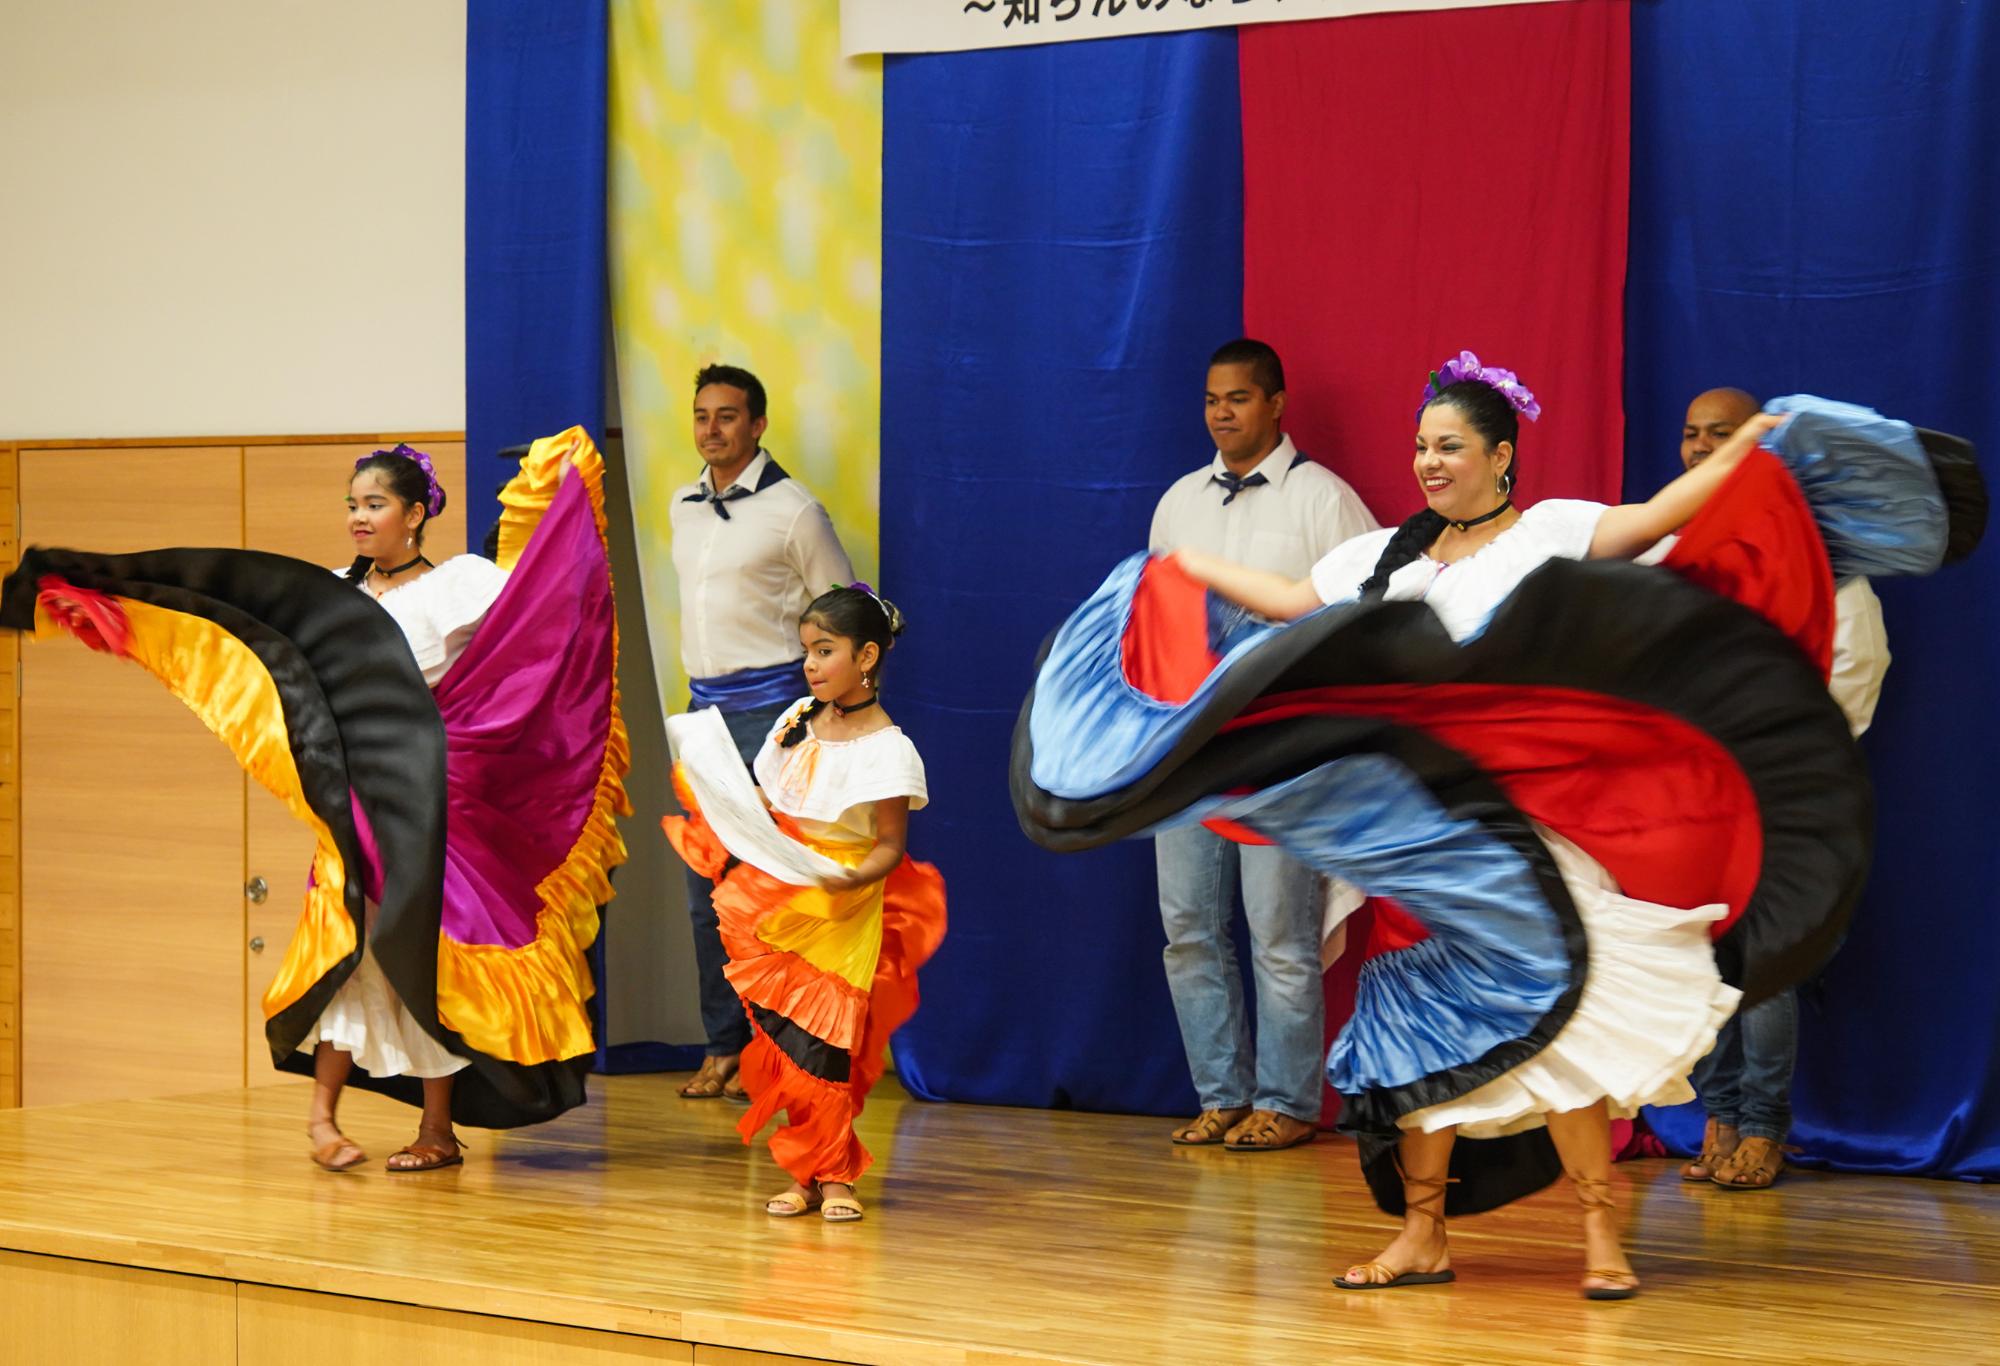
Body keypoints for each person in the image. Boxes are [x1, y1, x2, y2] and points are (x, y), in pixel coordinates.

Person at [1170, 352, 1797, 1298]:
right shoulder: (1385, 559)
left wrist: (1741, 450)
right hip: (1419, 841)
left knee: (1560, 1028)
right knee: (1423, 1040)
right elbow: (1297, 605)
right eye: (1421, 445)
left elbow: (1658, 517)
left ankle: (1599, 1237)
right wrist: (1182, 565)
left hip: (1528, 835)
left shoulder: (1548, 533)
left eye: (1449, 446)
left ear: (1501, 456)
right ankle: (1423, 1238)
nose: (1428, 461)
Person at [8, 431, 626, 1172]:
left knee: (423, 951)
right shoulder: (332, 592)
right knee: (348, 941)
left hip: (438, 792)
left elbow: (531, 641)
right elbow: (242, 628)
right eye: (352, 505)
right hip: (355, 795)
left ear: (416, 514)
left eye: (375, 504)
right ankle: (322, 1119)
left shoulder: (463, 583)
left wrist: (558, 508)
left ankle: (437, 1128)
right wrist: (110, 594)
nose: (359, 518)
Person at [1148, 338, 1376, 1152]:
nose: (1222, 413)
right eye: (1212, 399)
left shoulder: (1324, 501)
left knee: (1280, 932)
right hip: (1187, 748)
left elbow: (1365, 621)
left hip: (1278, 753)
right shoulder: (1177, 503)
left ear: (1276, 403)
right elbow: (1154, 621)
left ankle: (1284, 1101)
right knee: (1189, 928)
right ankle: (1220, 1095)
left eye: (1239, 397)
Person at [664, 585, 945, 1222]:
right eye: (806, 652)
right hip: (779, 896)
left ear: (866, 656)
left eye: (825, 651)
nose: (811, 665)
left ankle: (837, 1175)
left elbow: (888, 848)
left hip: (840, 906)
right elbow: (771, 800)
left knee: (828, 1039)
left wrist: (846, 880)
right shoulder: (795, 721)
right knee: (787, 1040)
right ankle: (806, 1170)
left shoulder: (889, 749)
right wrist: (732, 805)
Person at [1671, 388, 1890, 1192]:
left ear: (1760, 447)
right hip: (1704, 803)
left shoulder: (1823, 560)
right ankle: (1721, 1117)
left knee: (1764, 969)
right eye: (1690, 435)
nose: (1699, 449)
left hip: (1790, 801)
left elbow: (1856, 677)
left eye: (1719, 435)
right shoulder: (1687, 551)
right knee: (1713, 972)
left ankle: (1763, 1128)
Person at [669, 364, 856, 1101]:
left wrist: (833, 717)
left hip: (773, 713)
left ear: (757, 425)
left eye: (726, 416)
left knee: (772, 891)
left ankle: (783, 1056)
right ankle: (723, 1046)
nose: (711, 429)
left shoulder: (794, 510)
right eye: (701, 415)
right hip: (702, 717)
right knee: (703, 893)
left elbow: (846, 613)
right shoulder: (683, 504)